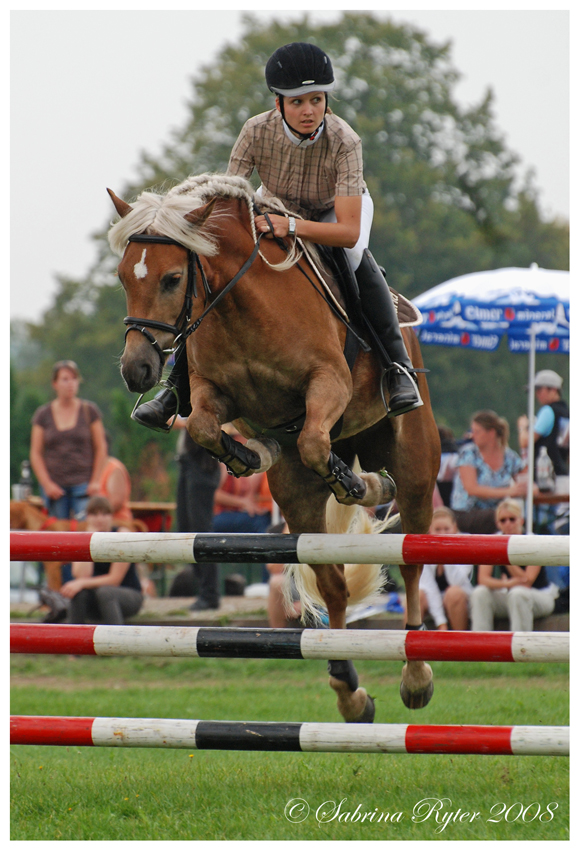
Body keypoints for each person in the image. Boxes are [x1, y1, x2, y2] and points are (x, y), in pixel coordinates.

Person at [133, 41, 422, 431]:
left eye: (316, 100)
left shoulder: (345, 140)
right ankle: (176, 386)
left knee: (355, 256)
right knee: (211, 270)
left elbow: (349, 230)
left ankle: (397, 368)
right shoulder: (255, 131)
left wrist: (292, 227)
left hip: (331, 212)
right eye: (298, 102)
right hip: (273, 207)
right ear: (279, 103)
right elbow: (227, 193)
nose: (309, 111)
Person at [30, 360, 107, 521]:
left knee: (85, 531)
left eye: (74, 379)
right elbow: (36, 453)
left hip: (84, 486)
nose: (70, 384)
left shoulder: (89, 411)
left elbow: (101, 447)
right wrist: (47, 484)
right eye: (65, 379)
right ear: (55, 383)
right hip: (55, 487)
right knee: (57, 537)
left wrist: (95, 481)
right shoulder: (42, 415)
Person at [469, 499, 559, 632]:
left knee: (518, 594)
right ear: (497, 524)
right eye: (503, 520)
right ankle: (479, 646)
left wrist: (504, 557)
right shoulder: (493, 540)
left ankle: (520, 648)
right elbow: (483, 579)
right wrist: (507, 584)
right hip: (510, 593)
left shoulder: (533, 541)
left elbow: (527, 581)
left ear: (521, 520)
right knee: (479, 593)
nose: (508, 524)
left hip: (540, 595)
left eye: (512, 519)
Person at [59, 496, 143, 625]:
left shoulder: (121, 535)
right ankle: (74, 641)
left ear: (111, 516)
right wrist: (89, 540)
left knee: (105, 592)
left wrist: (81, 583)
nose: (99, 519)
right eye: (94, 514)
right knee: (78, 594)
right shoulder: (82, 537)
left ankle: (116, 639)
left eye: (104, 514)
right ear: (87, 517)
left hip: (127, 595)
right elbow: (81, 575)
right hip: (98, 599)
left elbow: (114, 579)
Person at [450, 410, 528, 534]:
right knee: (503, 519)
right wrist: (508, 491)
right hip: (466, 513)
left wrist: (528, 487)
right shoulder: (468, 453)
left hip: (496, 512)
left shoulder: (509, 456)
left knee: (513, 518)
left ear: (491, 433)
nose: (472, 435)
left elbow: (526, 479)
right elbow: (472, 489)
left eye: (477, 431)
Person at [169, 416, 221, 598]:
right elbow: (166, 419)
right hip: (187, 462)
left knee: (201, 530)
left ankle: (210, 592)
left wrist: (188, 422)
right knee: (185, 529)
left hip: (202, 463)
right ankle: (203, 587)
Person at [416, 507, 473, 630]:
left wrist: (445, 553)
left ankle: (460, 643)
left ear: (455, 527)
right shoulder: (424, 547)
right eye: (437, 530)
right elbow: (428, 586)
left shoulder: (466, 543)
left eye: (446, 529)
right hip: (434, 600)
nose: (442, 534)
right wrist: (441, 623)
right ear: (430, 530)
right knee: (416, 595)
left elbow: (456, 581)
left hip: (461, 599)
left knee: (454, 593)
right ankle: (409, 644)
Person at [98, 432, 134, 527]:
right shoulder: (89, 469)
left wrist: (92, 512)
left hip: (116, 523)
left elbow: (116, 503)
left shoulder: (113, 468)